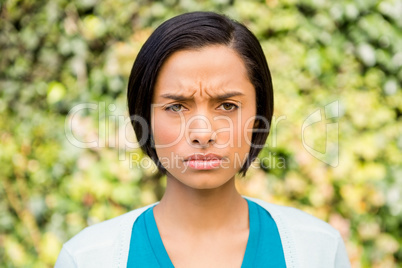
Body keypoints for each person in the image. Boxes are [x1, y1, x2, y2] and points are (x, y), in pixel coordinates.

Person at [55, 11, 351, 267]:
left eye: (227, 106)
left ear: (260, 113)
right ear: (143, 117)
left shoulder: (318, 249)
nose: (203, 134)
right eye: (176, 107)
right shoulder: (88, 258)